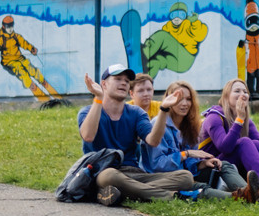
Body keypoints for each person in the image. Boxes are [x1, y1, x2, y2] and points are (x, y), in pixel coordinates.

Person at [77, 63, 196, 206]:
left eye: (127, 81)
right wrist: (98, 98)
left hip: (133, 173)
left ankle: (120, 192)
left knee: (185, 177)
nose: (123, 83)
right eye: (118, 79)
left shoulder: (136, 113)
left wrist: (164, 109)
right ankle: (171, 196)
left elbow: (153, 141)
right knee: (109, 176)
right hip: (102, 171)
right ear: (104, 84)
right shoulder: (88, 111)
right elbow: (88, 136)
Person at [146, 80, 258, 202]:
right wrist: (186, 154)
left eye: (188, 99)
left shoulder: (190, 126)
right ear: (169, 100)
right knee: (199, 187)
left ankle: (250, 192)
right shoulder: (158, 125)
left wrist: (201, 164)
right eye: (179, 99)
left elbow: (190, 164)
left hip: (187, 173)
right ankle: (239, 197)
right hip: (167, 178)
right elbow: (156, 165)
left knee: (223, 165)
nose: (184, 103)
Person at [200, 79, 259, 200]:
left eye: (245, 91)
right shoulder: (214, 117)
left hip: (235, 167)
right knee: (244, 142)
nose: (242, 94)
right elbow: (225, 147)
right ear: (226, 96)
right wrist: (239, 120)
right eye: (237, 91)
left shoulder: (245, 120)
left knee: (254, 143)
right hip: (214, 169)